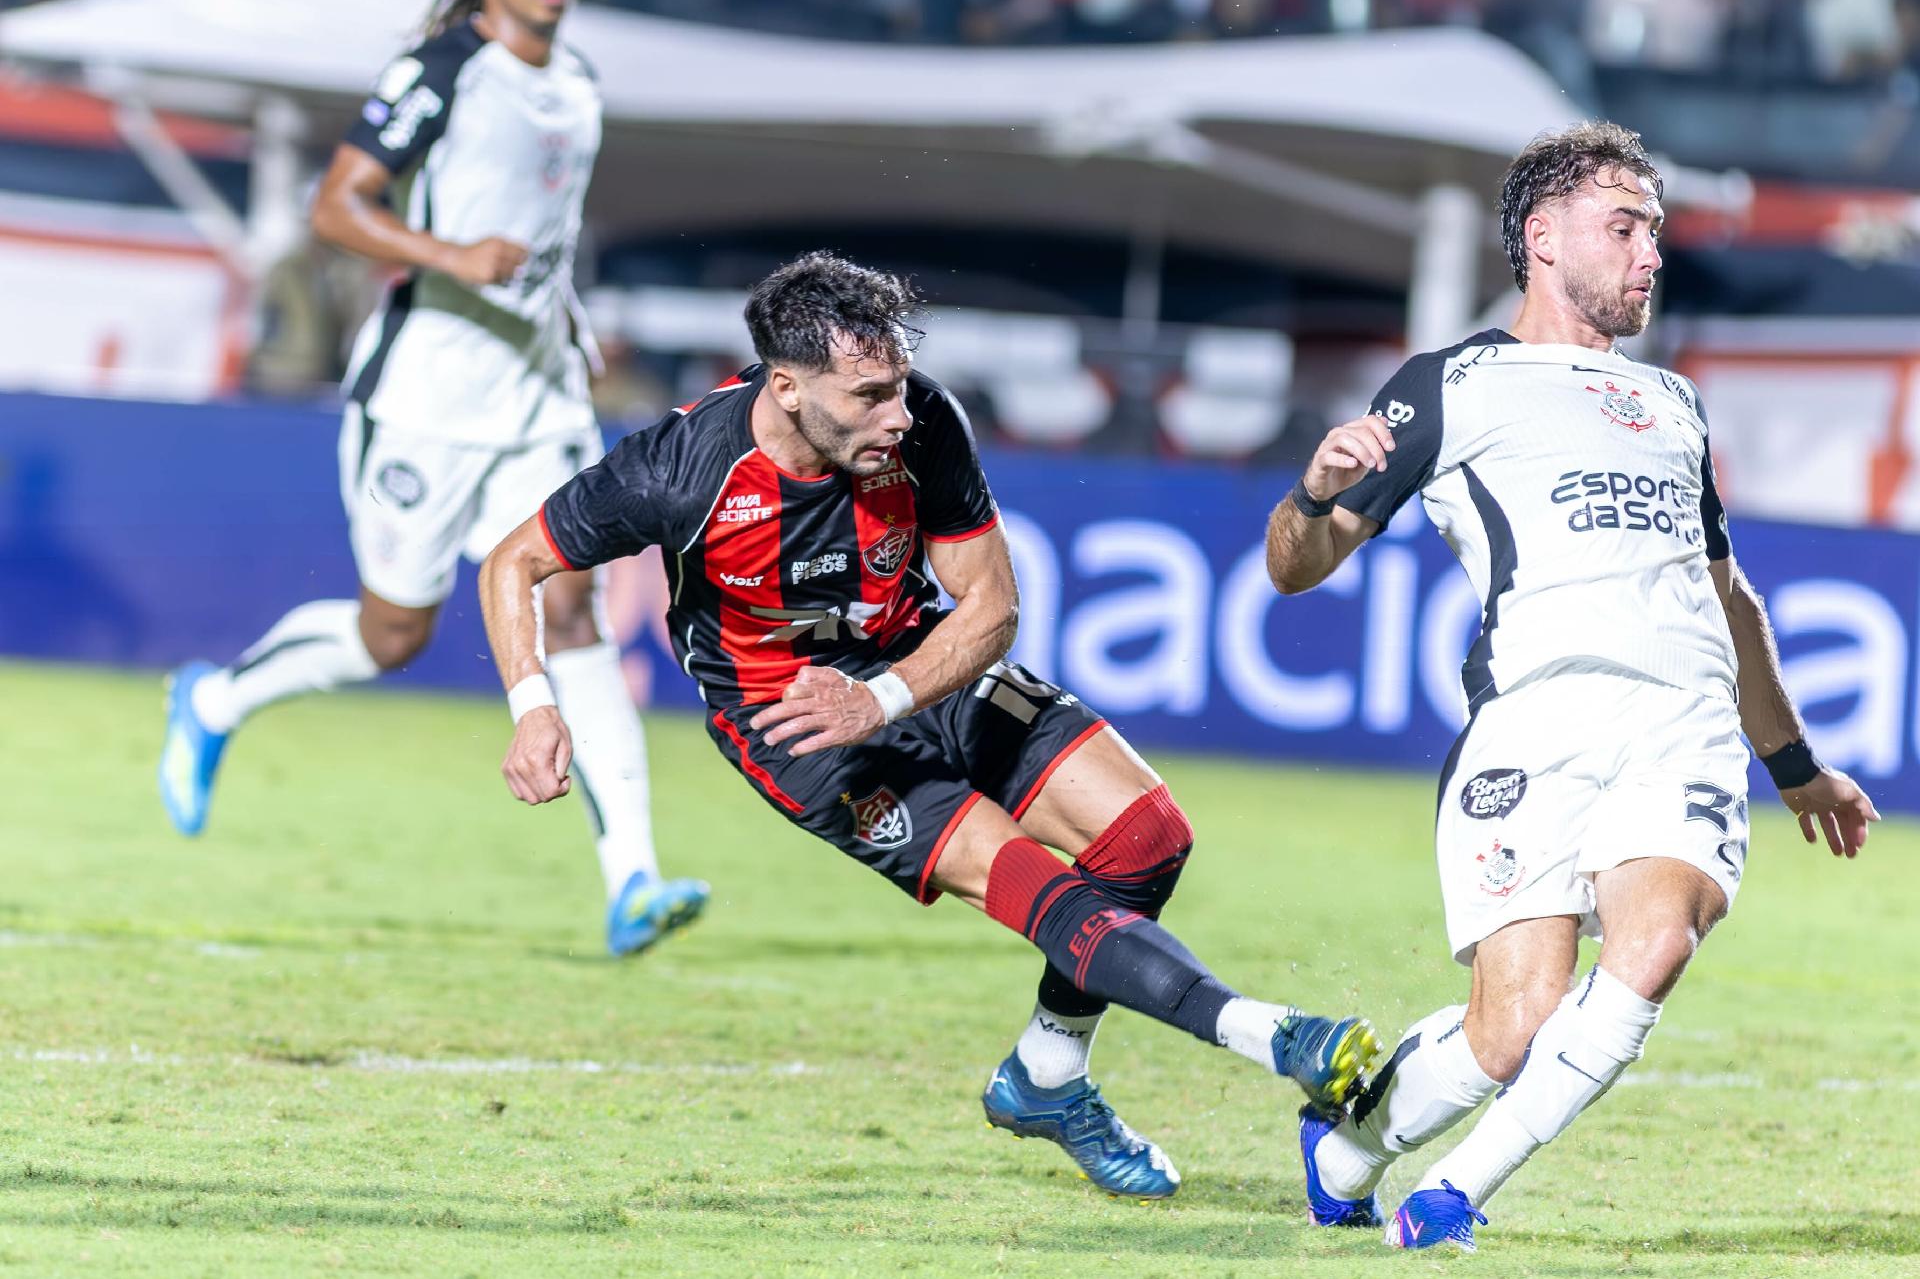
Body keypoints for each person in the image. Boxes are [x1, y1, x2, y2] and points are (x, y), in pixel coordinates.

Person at [477, 251, 1383, 1199]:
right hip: (796, 730)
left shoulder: (926, 425)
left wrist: (887, 693)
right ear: (785, 388)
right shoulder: (680, 469)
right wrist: (532, 707)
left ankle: (1046, 1074)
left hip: (921, 670)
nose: (897, 415)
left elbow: (991, 605)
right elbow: (514, 563)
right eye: (868, 395)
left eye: (899, 387)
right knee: (1039, 891)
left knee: (1146, 838)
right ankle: (1272, 1034)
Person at [1265, 121, 1879, 1250]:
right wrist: (1309, 494)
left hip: (1681, 728)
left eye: (1655, 230)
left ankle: (1453, 1194)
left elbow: (1729, 599)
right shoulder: (1450, 386)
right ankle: (1348, 1147)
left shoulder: (1675, 405)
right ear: (1543, 239)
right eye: (1626, 227)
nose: (1652, 254)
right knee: (1514, 1024)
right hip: (1533, 727)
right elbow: (1297, 569)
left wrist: (1795, 764)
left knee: (1654, 944)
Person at [156, 0, 709, 957]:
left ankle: (634, 880)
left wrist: (565, 326)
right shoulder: (444, 68)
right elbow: (336, 205)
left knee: (571, 609)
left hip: (537, 402)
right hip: (424, 403)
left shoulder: (578, 83)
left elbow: (546, 240)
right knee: (393, 633)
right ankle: (214, 700)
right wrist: (450, 255)